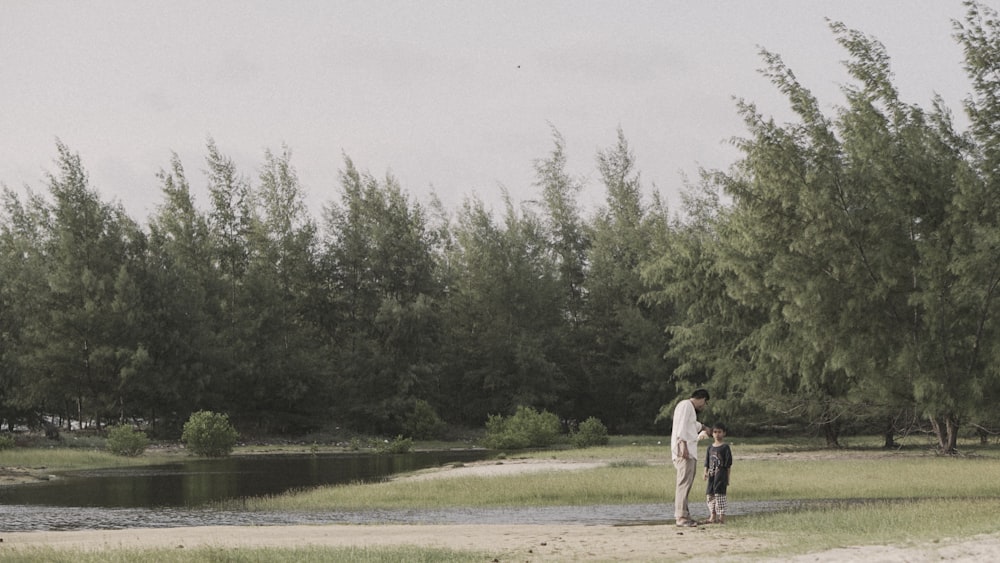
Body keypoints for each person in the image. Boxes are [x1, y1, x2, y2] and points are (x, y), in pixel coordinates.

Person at [670, 388, 710, 527]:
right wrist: (683, 446)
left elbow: (692, 425)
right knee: (683, 484)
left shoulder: (689, 409)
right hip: (684, 451)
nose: (703, 406)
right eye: (704, 403)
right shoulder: (686, 405)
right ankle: (680, 517)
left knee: (687, 484)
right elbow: (681, 427)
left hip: (690, 451)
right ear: (702, 398)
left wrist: (704, 427)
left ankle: (685, 515)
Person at [703, 422, 733, 524]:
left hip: (721, 475)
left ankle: (721, 518)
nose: (717, 434)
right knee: (710, 495)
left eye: (719, 432)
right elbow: (707, 462)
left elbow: (728, 464)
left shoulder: (725, 448)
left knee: (720, 496)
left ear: (724, 433)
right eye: (715, 432)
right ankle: (712, 516)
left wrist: (728, 478)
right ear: (712, 433)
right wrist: (705, 472)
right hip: (711, 475)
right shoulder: (710, 448)